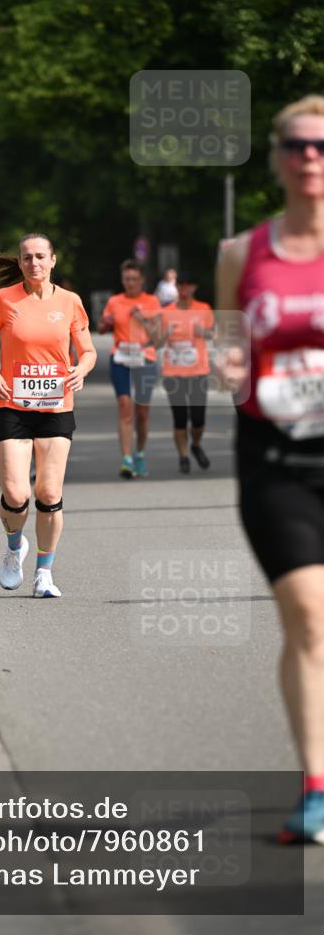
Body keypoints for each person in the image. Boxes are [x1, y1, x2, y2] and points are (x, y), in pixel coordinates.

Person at [216, 94, 324, 844]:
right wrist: (230, 361)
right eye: (297, 145)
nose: (310, 157)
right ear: (278, 155)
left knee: (309, 630)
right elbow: (228, 333)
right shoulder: (238, 254)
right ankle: (317, 788)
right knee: (311, 618)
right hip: (275, 461)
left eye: (323, 145)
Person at [0, 233, 97, 598]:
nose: (34, 264)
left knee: (48, 491)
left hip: (56, 406)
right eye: (27, 258)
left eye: (40, 257)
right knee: (15, 493)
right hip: (13, 404)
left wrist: (81, 369)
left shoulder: (70, 302)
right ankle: (15, 548)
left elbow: (88, 350)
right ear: (20, 262)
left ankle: (44, 572)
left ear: (53, 260)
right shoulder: (5, 300)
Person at [98, 260, 162, 478]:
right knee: (125, 408)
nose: (131, 283)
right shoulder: (115, 301)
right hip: (121, 358)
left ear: (142, 280)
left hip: (145, 358)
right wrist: (105, 323)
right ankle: (126, 459)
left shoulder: (152, 301)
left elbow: (159, 338)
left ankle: (140, 454)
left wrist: (144, 318)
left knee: (142, 412)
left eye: (135, 279)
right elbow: (101, 327)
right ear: (122, 279)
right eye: (127, 279)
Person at [157, 272, 215, 473]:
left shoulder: (203, 309)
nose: (184, 289)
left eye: (188, 285)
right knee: (180, 418)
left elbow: (213, 335)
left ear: (194, 288)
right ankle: (183, 456)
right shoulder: (167, 312)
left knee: (198, 419)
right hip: (174, 373)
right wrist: (165, 333)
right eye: (181, 285)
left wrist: (203, 332)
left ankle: (196, 444)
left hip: (198, 372)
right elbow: (156, 342)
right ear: (177, 288)